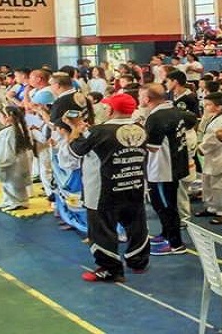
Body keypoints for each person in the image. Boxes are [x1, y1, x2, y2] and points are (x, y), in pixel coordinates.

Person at [63, 93, 150, 283]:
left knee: (102, 230)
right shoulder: (141, 129)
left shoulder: (98, 132)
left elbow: (73, 154)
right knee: (137, 226)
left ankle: (110, 269)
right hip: (134, 184)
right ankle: (138, 261)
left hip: (103, 190)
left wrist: (74, 131)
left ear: (110, 110)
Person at [141, 83, 196, 256]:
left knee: (165, 206)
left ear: (147, 99)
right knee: (165, 204)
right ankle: (166, 234)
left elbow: (152, 147)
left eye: (140, 96)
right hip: (174, 165)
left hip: (162, 170)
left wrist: (136, 140)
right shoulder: (174, 111)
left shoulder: (156, 117)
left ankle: (175, 243)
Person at [195, 92, 222, 224]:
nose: (205, 107)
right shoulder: (212, 118)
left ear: (219, 107)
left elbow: (216, 138)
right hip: (209, 156)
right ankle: (212, 207)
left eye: (208, 105)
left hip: (220, 155)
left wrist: (202, 148)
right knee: (208, 184)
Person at [0, 106, 36, 212]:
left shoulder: (10, 132)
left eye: (1, 116)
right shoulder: (16, 129)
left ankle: (17, 202)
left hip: (11, 163)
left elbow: (7, 150)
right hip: (17, 162)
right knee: (11, 184)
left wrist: (1, 163)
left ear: (8, 117)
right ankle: (12, 201)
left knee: (12, 183)